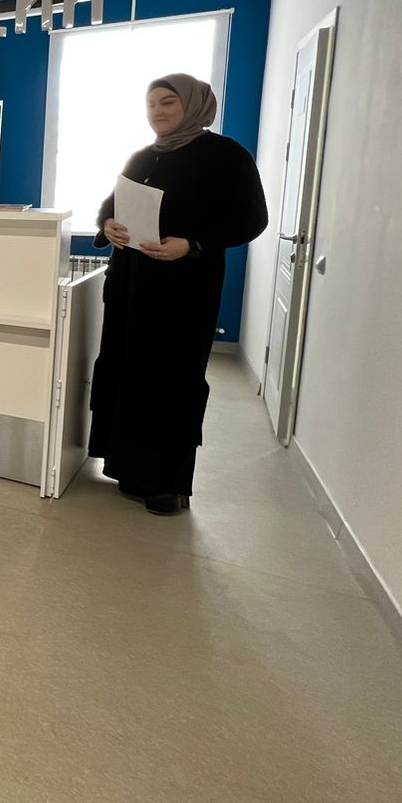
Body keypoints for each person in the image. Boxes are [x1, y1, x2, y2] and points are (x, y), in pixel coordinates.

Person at [89, 73, 268, 515]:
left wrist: (192, 243)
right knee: (127, 369)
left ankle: (168, 482)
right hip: (130, 283)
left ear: (194, 105)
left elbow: (251, 219)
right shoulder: (142, 156)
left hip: (183, 289)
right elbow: (111, 204)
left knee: (173, 378)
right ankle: (128, 468)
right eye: (151, 103)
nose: (157, 111)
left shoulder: (225, 156)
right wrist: (107, 225)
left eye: (168, 102)